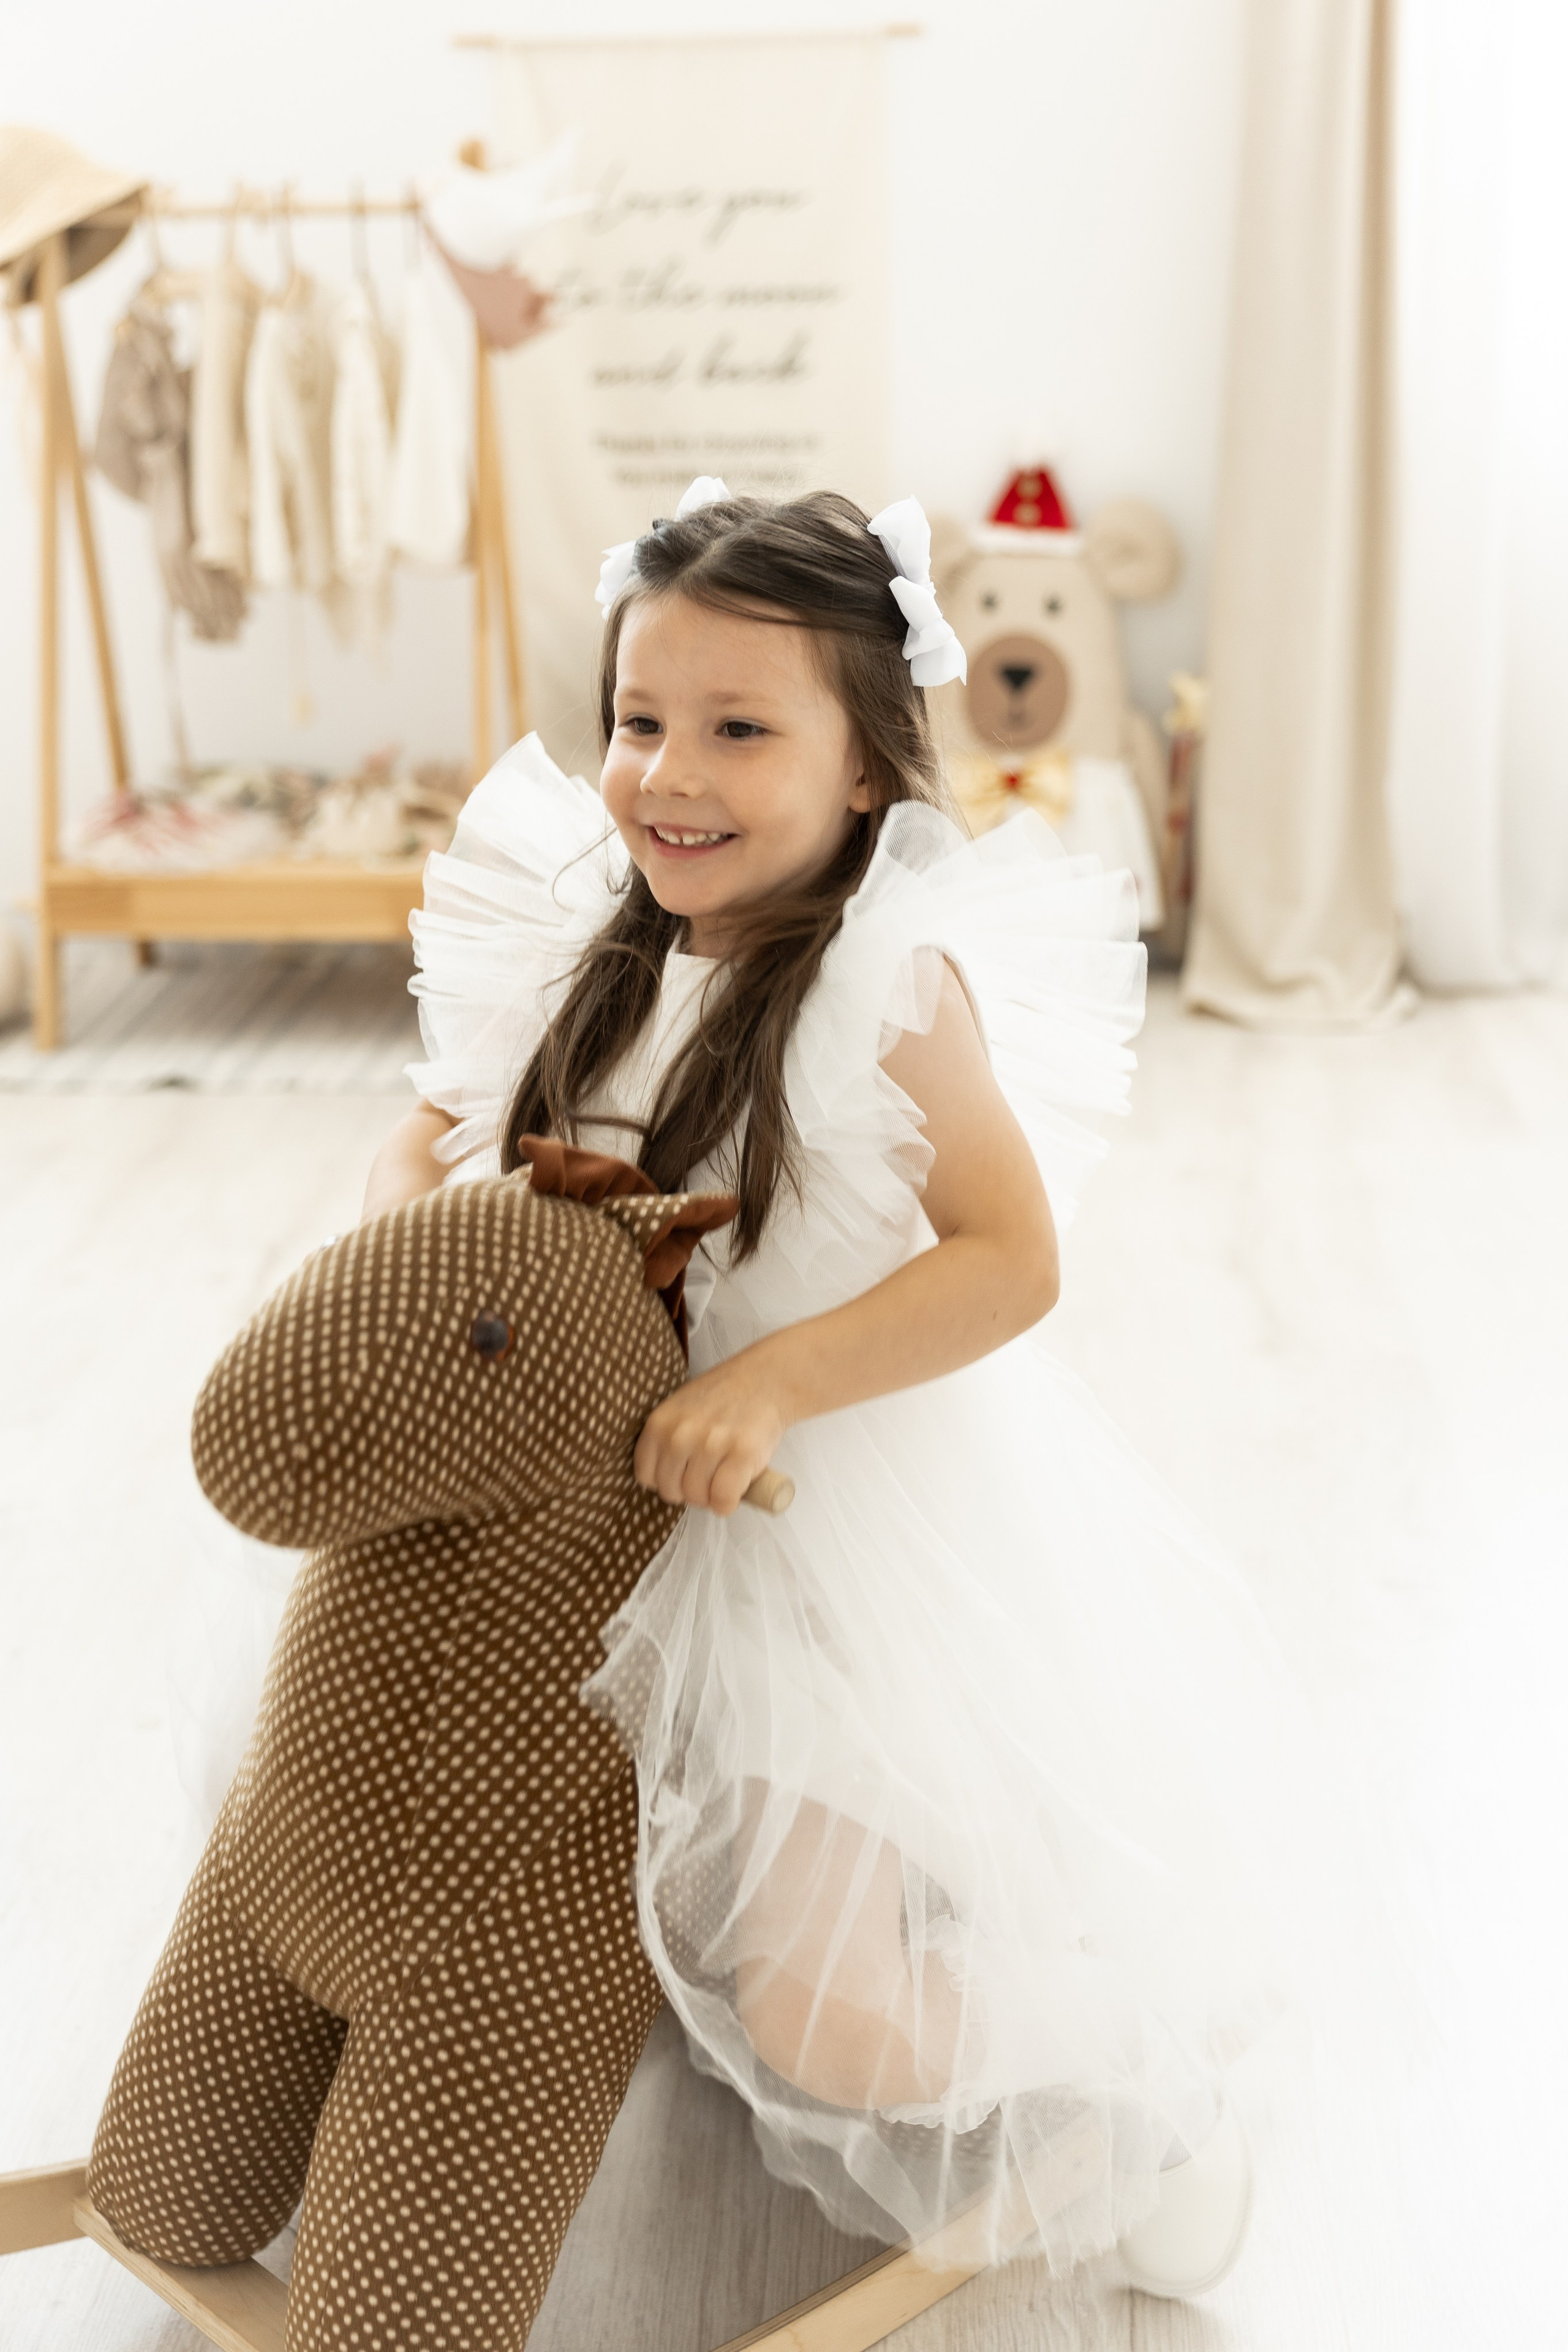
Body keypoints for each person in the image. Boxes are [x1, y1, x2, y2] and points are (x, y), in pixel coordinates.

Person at [361, 480, 1298, 2296]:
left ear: (866, 765)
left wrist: (778, 1379)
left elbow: (1011, 1255)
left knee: (829, 2010)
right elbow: (419, 1136)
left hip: (806, 1528)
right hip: (567, 1505)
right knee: (438, 1831)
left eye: (737, 730)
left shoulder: (884, 985)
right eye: (640, 721)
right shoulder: (583, 932)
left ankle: (1126, 2073)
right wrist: (418, 1267)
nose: (665, 775)